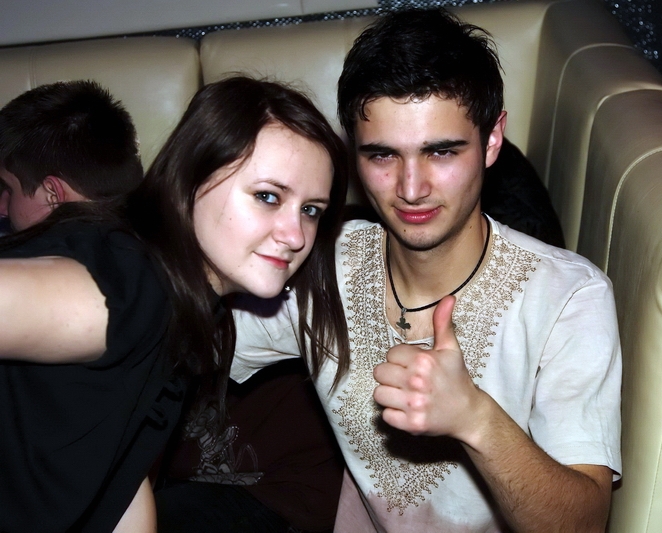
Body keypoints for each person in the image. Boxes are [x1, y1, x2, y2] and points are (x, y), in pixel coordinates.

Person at [233, 9, 622, 533]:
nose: (411, 188)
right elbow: (184, 336)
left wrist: (476, 418)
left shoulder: (569, 297)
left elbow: (584, 525)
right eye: (382, 156)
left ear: (492, 139)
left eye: (440, 152)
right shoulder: (319, 262)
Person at [0, 76, 348, 532]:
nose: (296, 235)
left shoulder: (186, 304)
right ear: (190, 179)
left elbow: (119, 478)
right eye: (268, 197)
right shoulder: (129, 282)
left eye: (310, 210)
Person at [0, 80, 143, 233]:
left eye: (9, 190)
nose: (2, 208)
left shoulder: (32, 246)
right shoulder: (146, 231)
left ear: (52, 196)